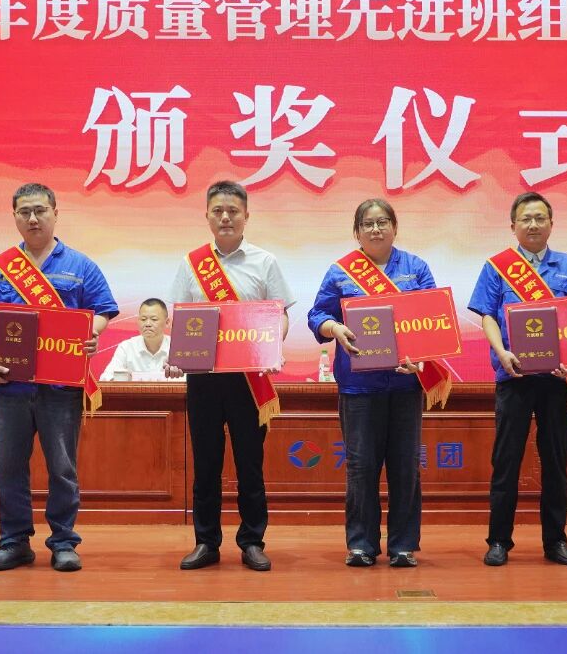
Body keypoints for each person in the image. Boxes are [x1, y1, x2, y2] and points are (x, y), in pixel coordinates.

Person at [0, 183, 118, 573]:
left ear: (55, 213)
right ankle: (14, 542)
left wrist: (92, 332)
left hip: (60, 388)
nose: (33, 218)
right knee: (8, 468)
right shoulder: (0, 267)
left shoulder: (81, 266)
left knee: (62, 468)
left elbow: (102, 310)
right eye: (24, 212)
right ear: (15, 217)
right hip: (10, 386)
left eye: (40, 210)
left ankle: (64, 542)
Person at [166, 180, 294, 572]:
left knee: (250, 464)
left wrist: (272, 346)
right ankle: (206, 542)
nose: (225, 217)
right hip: (203, 377)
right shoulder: (191, 264)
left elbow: (280, 316)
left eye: (233, 211)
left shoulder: (265, 262)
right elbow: (181, 319)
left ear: (246, 216)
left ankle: (252, 541)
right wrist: (177, 355)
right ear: (207, 216)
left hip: (249, 379)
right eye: (218, 211)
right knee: (206, 464)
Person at [468, 192, 567, 568]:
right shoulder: (497, 267)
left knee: (555, 462)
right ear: (513, 226)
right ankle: (498, 541)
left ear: (551, 224)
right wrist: (501, 352)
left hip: (556, 380)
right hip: (513, 376)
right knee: (506, 460)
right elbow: (487, 315)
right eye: (526, 218)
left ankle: (555, 540)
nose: (534, 224)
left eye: (540, 218)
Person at [307, 199, 435, 568]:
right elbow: (317, 314)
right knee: (361, 467)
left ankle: (403, 546)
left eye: (382, 222)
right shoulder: (341, 272)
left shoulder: (416, 268)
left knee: (405, 466)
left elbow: (433, 317)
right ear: (357, 231)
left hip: (405, 384)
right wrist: (334, 328)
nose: (376, 229)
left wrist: (422, 356)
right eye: (368, 223)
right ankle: (361, 544)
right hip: (359, 385)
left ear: (395, 227)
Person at [99, 298, 172, 381]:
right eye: (143, 319)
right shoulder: (127, 347)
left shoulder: (176, 349)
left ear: (167, 322)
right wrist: (122, 378)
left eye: (154, 319)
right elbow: (105, 378)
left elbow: (183, 381)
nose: (148, 324)